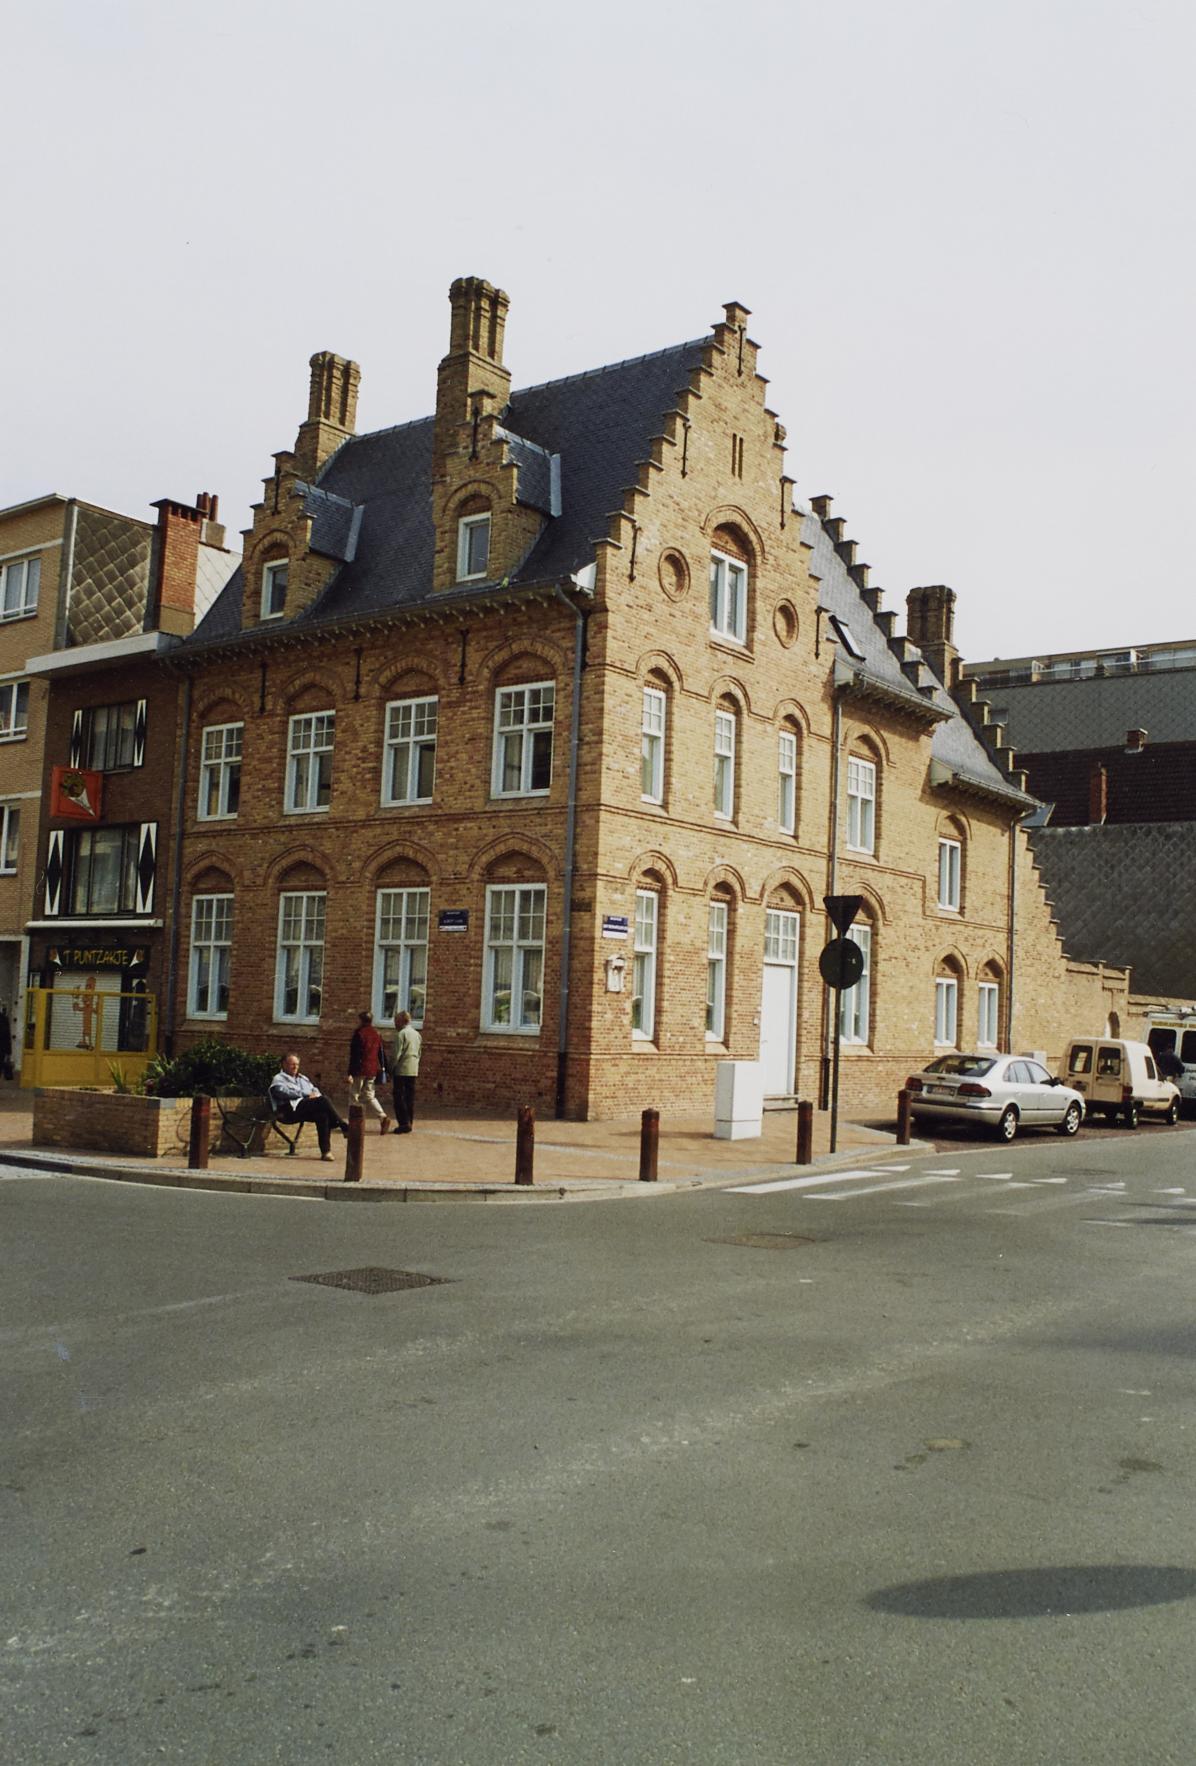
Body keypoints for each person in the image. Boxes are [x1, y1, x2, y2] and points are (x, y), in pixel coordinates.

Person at [270, 1052, 349, 1161]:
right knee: (323, 1100)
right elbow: (281, 1093)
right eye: (292, 1064)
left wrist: (315, 1095)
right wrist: (305, 1094)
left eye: (297, 1064)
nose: (295, 1067)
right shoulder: (279, 1078)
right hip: (289, 1110)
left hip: (305, 1107)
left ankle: (326, 1152)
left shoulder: (303, 1078)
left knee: (322, 1114)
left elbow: (314, 1090)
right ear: (284, 1064)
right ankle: (342, 1125)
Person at [347, 1010, 391, 1134]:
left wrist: (350, 1072)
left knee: (354, 1095)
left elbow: (355, 1055)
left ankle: (354, 1124)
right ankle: (382, 1116)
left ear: (361, 1020)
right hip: (372, 1069)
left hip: (359, 1069)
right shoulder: (376, 1034)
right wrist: (384, 1068)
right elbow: (381, 1053)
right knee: (369, 1095)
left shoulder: (359, 1033)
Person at [391, 1009, 422, 1134]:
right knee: (409, 1097)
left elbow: (396, 1054)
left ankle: (403, 1123)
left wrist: (391, 1068)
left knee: (399, 1097)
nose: (395, 1024)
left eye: (396, 1021)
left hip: (401, 1069)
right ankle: (409, 1121)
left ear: (401, 1021)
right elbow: (419, 1052)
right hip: (413, 1069)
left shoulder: (401, 1034)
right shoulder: (417, 1034)